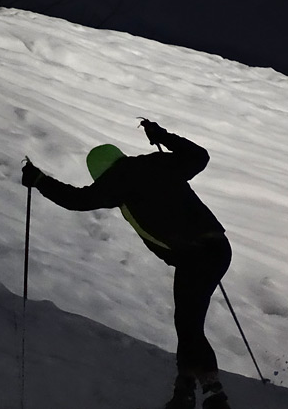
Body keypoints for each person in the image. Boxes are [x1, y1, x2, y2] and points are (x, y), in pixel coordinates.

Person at [21, 120, 232, 409]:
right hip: (217, 247)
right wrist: (163, 136)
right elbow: (199, 157)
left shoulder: (116, 182)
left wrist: (39, 180)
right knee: (187, 321)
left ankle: (209, 391)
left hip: (194, 256)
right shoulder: (155, 163)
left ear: (100, 171)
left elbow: (77, 200)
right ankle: (186, 388)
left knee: (189, 323)